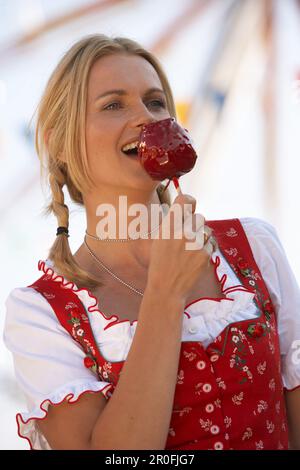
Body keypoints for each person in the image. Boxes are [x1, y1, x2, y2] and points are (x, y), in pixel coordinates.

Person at [3, 34, 300, 451]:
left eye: (156, 102)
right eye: (113, 104)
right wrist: (164, 292)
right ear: (58, 142)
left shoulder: (254, 245)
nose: (147, 118)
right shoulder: (39, 314)